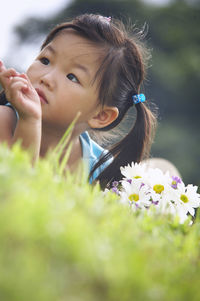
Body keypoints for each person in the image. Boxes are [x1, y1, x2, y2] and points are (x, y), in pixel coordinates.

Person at [0, 13, 156, 188]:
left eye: (72, 77)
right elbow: (14, 189)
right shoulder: (4, 121)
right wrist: (29, 121)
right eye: (45, 60)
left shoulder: (102, 170)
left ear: (101, 115)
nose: (47, 78)